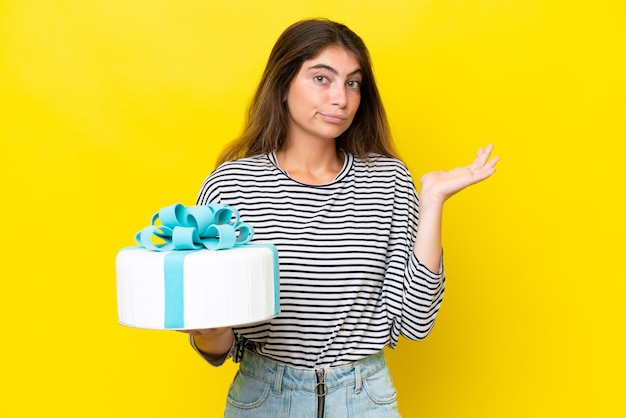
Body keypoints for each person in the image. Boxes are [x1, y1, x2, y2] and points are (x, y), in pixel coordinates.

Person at [182, 18, 499, 417]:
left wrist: (433, 199)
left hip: (365, 398)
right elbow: (218, 347)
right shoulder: (233, 186)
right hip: (264, 398)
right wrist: (209, 331)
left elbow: (417, 322)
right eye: (321, 78)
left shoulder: (388, 181)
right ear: (282, 86)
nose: (342, 98)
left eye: (352, 83)